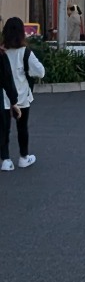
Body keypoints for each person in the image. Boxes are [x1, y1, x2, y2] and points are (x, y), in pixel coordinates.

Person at [0, 17, 45, 171]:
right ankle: (23, 157)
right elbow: (40, 71)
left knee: (3, 129)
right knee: (22, 127)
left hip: (3, 97)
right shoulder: (25, 52)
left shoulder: (1, 51)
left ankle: (5, 160)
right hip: (21, 96)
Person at [0, 25, 24, 172]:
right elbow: (6, 79)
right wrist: (14, 101)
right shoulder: (1, 55)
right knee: (3, 128)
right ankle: (5, 159)